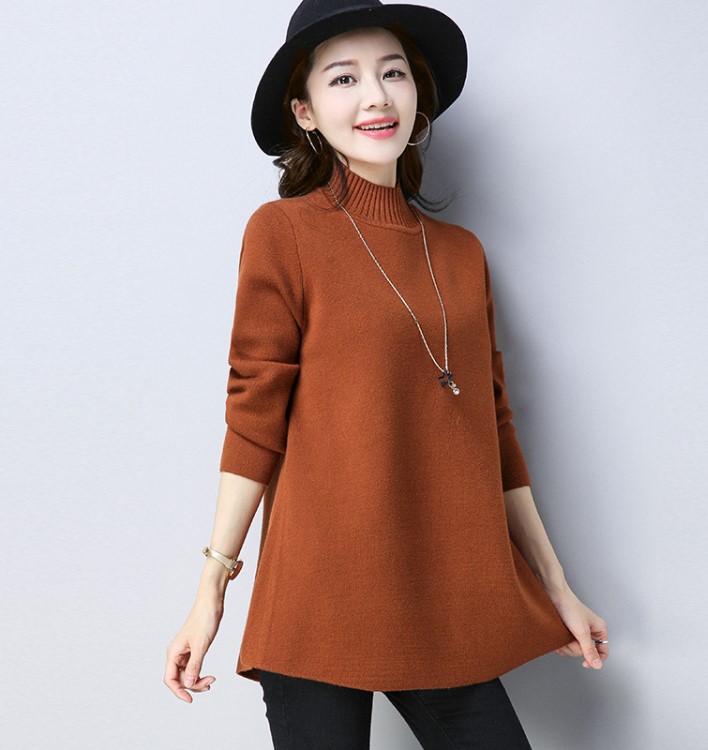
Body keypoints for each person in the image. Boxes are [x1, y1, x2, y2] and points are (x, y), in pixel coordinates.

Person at [164, 0, 609, 747]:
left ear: (417, 95)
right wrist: (211, 589)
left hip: (441, 597)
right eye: (344, 79)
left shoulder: (462, 255)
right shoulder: (283, 233)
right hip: (316, 596)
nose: (375, 96)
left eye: (392, 73)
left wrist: (557, 587)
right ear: (305, 112)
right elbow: (253, 416)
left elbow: (494, 429)